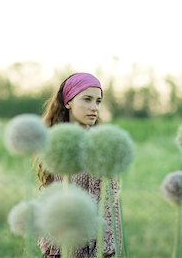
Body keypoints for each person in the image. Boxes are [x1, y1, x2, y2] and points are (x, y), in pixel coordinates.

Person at [37, 72, 122, 258]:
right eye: (87, 99)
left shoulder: (100, 146)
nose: (94, 108)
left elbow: (109, 203)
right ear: (68, 101)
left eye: (98, 101)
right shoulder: (54, 143)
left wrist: (104, 249)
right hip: (57, 245)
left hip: (90, 247)